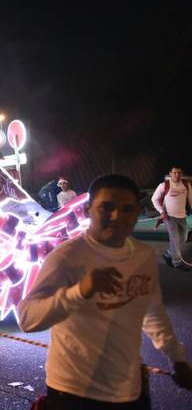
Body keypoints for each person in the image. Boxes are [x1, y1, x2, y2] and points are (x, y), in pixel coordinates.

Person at [19, 174, 192, 409]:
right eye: (107, 207)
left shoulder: (142, 256)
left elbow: (153, 312)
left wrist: (177, 358)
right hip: (73, 390)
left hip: (130, 388)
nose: (117, 216)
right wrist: (80, 291)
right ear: (89, 210)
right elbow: (27, 318)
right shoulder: (67, 257)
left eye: (127, 209)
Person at [151, 166, 192, 270]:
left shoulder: (186, 185)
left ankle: (169, 253)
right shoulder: (164, 185)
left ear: (181, 174)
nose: (177, 175)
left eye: (179, 172)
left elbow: (191, 198)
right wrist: (161, 212)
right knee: (175, 240)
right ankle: (176, 262)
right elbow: (154, 199)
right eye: (174, 173)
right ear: (170, 174)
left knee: (183, 238)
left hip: (182, 216)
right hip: (169, 217)